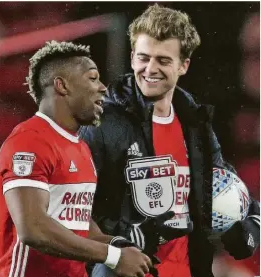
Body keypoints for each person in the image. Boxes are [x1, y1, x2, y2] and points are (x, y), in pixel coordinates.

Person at [79, 4, 260, 277]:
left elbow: (225, 182)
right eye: (143, 58)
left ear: (183, 65)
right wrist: (118, 241)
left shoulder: (195, 125)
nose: (150, 69)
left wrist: (252, 223)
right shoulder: (102, 125)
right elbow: (70, 205)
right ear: (131, 58)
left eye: (163, 60)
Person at [0, 40, 154, 277]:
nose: (103, 88)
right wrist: (113, 257)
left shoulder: (80, 147)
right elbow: (33, 229)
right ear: (62, 85)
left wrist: (122, 245)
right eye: (93, 77)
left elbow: (79, 227)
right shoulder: (29, 141)